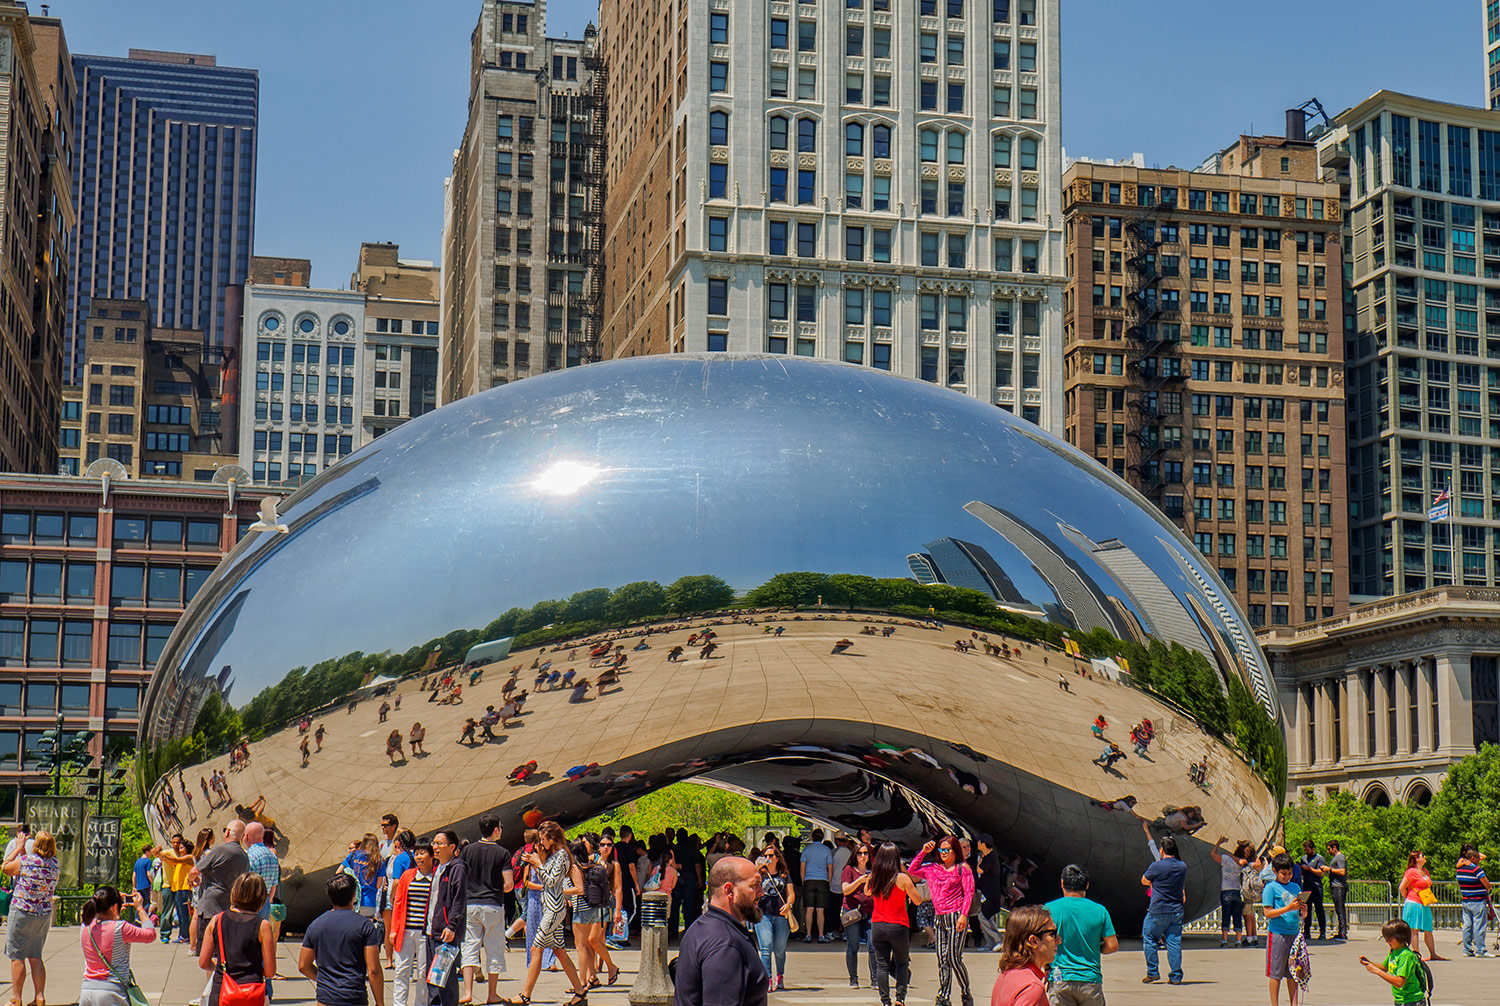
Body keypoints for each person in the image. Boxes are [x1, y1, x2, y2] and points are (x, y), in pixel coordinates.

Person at [502, 821, 586, 1006]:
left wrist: (538, 863)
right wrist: (537, 863)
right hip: (550, 907)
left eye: (543, 839)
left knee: (536, 948)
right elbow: (545, 878)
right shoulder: (555, 855)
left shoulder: (563, 855)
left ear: (552, 838)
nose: (542, 843)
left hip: (554, 909)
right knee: (560, 951)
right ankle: (580, 993)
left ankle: (525, 995)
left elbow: (551, 880)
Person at [673, 857, 769, 1006]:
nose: (761, 892)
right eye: (755, 885)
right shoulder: (726, 944)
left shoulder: (701, 927)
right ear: (729, 890)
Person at [850, 842, 926, 1006]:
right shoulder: (902, 878)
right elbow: (918, 900)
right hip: (898, 926)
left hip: (878, 924)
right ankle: (900, 998)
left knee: (882, 965)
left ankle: (885, 1001)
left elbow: (867, 892)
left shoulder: (875, 877)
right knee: (901, 963)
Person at [907, 838, 976, 1006]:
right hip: (940, 918)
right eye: (941, 850)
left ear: (955, 851)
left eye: (947, 850)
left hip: (956, 917)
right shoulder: (932, 869)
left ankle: (966, 992)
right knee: (942, 959)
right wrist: (924, 851)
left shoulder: (962, 869)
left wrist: (964, 915)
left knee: (953, 958)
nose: (943, 853)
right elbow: (912, 870)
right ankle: (943, 996)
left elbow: (969, 892)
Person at [300, 873, 384, 1006]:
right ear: (354, 896)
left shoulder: (316, 925)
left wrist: (324, 981)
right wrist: (380, 1002)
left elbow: (303, 965)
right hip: (354, 996)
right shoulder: (365, 926)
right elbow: (373, 970)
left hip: (325, 998)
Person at [1043, 864, 1117, 1006]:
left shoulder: (1049, 909)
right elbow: (1112, 946)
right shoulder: (1100, 910)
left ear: (1062, 883)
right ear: (1087, 885)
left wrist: (1047, 967)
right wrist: (1095, 947)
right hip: (1090, 980)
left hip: (1060, 979)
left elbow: (1042, 943)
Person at [460, 815, 514, 1004]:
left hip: (471, 904)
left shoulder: (467, 851)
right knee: (494, 949)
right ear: (496, 829)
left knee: (469, 947)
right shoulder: (503, 853)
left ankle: (467, 992)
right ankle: (492, 994)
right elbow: (509, 884)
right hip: (492, 904)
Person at [201, 873, 276, 1006]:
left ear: (234, 892)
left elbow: (203, 963)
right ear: (261, 898)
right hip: (251, 992)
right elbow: (270, 971)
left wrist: (218, 966)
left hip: (222, 991)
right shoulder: (263, 926)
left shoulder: (217, 920)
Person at [4, 829, 60, 1006]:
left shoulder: (27, 861)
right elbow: (29, 867)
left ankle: (16, 999)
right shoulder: (54, 865)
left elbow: (6, 867)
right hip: (43, 913)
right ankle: (40, 997)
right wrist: (23, 852)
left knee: (17, 955)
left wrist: (18, 847)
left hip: (22, 911)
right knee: (36, 955)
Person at [79, 885, 157, 1006]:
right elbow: (150, 934)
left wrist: (114, 910)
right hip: (112, 991)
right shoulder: (121, 928)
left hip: (87, 991)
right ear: (115, 907)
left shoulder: (86, 926)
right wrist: (140, 909)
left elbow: (97, 919)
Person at [425, 830, 470, 1006]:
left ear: (452, 847)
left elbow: (459, 900)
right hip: (431, 931)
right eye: (434, 843)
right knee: (433, 980)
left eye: (439, 843)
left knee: (445, 982)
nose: (435, 847)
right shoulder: (438, 868)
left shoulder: (457, 868)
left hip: (445, 933)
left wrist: (452, 926)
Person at [191, 820, 250, 948]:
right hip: (229, 907)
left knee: (208, 951)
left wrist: (191, 879)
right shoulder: (244, 856)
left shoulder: (220, 850)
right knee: (223, 949)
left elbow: (195, 870)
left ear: (228, 832)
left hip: (210, 906)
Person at [391, 841, 435, 1006]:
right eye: (417, 853)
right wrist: (393, 930)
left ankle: (420, 1004)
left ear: (431, 856)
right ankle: (399, 1004)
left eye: (423, 853)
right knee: (401, 971)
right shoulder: (408, 875)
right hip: (406, 931)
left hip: (426, 933)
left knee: (423, 973)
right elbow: (398, 903)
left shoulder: (436, 876)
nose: (419, 857)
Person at [1139, 835, 1186, 985]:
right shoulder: (1182, 866)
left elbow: (1144, 880)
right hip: (1176, 910)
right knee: (1174, 942)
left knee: (1149, 938)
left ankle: (1153, 972)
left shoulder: (1156, 866)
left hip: (1158, 909)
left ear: (1161, 850)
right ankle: (1176, 976)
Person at [990, 905, 1058, 1006]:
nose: (1059, 940)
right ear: (1033, 941)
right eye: (1053, 934)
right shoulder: (1032, 988)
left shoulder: (1008, 974)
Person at [1261, 853, 1306, 1006]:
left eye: (1289, 873)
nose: (1287, 876)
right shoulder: (1271, 888)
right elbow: (1267, 913)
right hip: (1278, 934)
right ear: (1275, 871)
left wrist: (1302, 910)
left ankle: (1294, 1003)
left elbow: (1298, 911)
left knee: (1293, 972)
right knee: (1276, 973)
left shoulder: (1295, 887)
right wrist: (1288, 908)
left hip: (1294, 934)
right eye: (1284, 873)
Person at [752, 846, 796, 991]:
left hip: (781, 916)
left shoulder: (784, 875)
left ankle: (780, 975)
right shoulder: (759, 874)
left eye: (771, 856)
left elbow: (791, 894)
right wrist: (756, 868)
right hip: (763, 914)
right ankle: (768, 979)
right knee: (765, 947)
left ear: (777, 858)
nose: (768, 858)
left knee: (779, 949)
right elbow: (748, 885)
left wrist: (789, 904)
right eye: (766, 855)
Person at [1360, 919, 1428, 1006]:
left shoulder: (1406, 956)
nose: (1387, 941)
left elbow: (1399, 982)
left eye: (1390, 939)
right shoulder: (1394, 951)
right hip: (1400, 1000)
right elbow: (1384, 967)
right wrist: (1369, 963)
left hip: (1412, 1001)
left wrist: (1376, 971)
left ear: (1400, 937)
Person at [839, 844, 876, 988]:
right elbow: (845, 890)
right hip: (852, 910)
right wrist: (859, 881)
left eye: (865, 853)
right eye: (860, 853)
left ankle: (875, 979)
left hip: (870, 910)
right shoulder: (848, 870)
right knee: (853, 946)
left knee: (873, 945)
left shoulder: (872, 870)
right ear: (855, 855)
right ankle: (853, 979)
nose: (863, 856)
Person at [1398, 850, 1445, 961]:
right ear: (1416, 859)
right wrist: (1408, 896)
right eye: (1422, 856)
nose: (1425, 857)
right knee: (1414, 929)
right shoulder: (1411, 872)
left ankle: (1433, 953)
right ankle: (1416, 953)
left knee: (1428, 929)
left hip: (1424, 902)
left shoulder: (1425, 871)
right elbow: (1402, 887)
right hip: (1414, 903)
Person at [799, 828, 834, 944]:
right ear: (822, 838)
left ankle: (808, 934)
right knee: (820, 910)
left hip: (809, 879)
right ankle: (821, 935)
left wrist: (803, 880)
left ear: (812, 838)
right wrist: (828, 881)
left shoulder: (806, 849)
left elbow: (802, 867)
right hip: (822, 880)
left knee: (809, 909)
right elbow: (830, 867)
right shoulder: (826, 850)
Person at [160, 835, 197, 944]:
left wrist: (163, 857)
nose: (179, 850)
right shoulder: (182, 859)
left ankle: (185, 935)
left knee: (184, 913)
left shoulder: (189, 857)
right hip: (178, 889)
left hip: (184, 889)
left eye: (182, 848)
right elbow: (174, 862)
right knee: (180, 914)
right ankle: (183, 935)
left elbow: (175, 860)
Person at [1456, 843, 1491, 957]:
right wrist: (1488, 888)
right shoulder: (1476, 869)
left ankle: (1467, 949)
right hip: (1478, 900)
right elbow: (1487, 884)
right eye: (1477, 858)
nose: (1479, 860)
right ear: (1472, 858)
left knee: (1467, 926)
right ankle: (1481, 950)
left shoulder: (1460, 869)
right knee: (1479, 926)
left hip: (1466, 900)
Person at [1211, 836, 1246, 948]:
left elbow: (1213, 854)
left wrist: (1218, 843)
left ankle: (1225, 940)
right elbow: (1243, 861)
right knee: (1237, 916)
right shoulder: (1241, 863)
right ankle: (1238, 940)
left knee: (1226, 916)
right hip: (1237, 890)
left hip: (1226, 890)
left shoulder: (1226, 858)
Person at [343, 834, 385, 920]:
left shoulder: (353, 855)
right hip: (370, 902)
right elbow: (378, 885)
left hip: (353, 900)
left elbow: (339, 872)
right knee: (366, 930)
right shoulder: (379, 860)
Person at [1297, 840, 1327, 941]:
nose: (1306, 852)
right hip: (1306, 886)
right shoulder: (1303, 859)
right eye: (1305, 850)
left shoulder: (1319, 858)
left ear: (1313, 849)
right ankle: (1306, 932)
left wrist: (1309, 869)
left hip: (1316, 886)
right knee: (1306, 909)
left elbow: (1321, 873)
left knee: (1319, 909)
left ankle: (1322, 931)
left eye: (1308, 850)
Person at [1325, 841, 1349, 942]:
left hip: (1339, 887)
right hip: (1336, 886)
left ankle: (1343, 932)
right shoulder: (1336, 858)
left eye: (1329, 849)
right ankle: (1341, 931)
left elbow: (1342, 871)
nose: (1328, 851)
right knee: (1338, 909)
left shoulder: (1340, 857)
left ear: (1334, 848)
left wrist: (1329, 869)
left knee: (1340, 909)